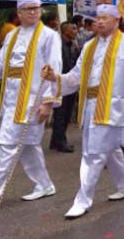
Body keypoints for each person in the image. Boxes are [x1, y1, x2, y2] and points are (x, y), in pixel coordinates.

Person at [42, 4, 124, 219]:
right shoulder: (89, 46)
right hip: (90, 105)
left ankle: (82, 200)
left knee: (92, 153)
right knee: (108, 149)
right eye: (97, 18)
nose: (99, 21)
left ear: (116, 20)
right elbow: (75, 77)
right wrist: (55, 78)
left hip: (111, 106)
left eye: (105, 18)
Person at [0, 0, 62, 212]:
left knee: (8, 145)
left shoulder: (49, 36)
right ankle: (44, 185)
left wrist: (49, 102)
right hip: (11, 100)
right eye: (29, 8)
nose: (34, 11)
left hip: (33, 100)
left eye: (37, 8)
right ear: (19, 12)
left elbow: (54, 68)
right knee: (28, 146)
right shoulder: (11, 36)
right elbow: (2, 68)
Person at [49, 21, 80, 153]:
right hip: (59, 82)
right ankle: (60, 141)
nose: (76, 31)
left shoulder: (73, 45)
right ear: (66, 31)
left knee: (67, 112)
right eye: (73, 28)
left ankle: (55, 140)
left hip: (70, 82)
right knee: (60, 113)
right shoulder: (58, 45)